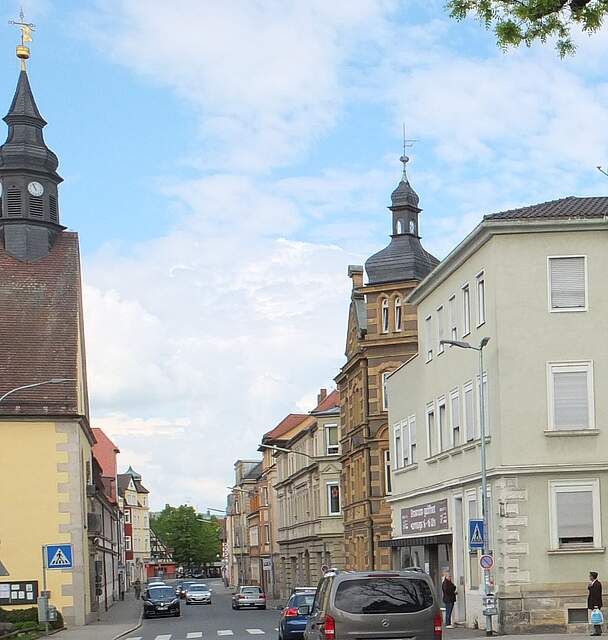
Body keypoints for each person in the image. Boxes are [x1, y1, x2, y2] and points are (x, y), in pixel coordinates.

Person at [589, 572, 603, 636]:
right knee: (595, 616)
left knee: (596, 617)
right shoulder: (593, 583)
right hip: (594, 603)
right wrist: (590, 587)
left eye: (590, 576)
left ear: (592, 577)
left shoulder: (597, 584)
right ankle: (598, 630)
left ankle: (597, 632)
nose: (589, 577)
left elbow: (596, 595)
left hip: (596, 603)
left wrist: (596, 605)